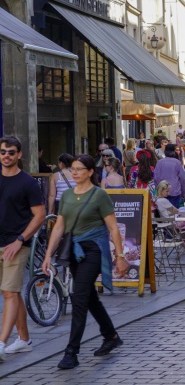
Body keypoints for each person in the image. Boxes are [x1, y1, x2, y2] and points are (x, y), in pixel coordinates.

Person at [41, 155, 128, 369]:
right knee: (88, 297)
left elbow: (113, 228)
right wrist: (48, 255)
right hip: (73, 250)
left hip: (92, 250)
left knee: (79, 298)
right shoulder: (68, 195)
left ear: (90, 172)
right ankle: (111, 336)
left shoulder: (99, 195)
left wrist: (120, 256)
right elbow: (60, 226)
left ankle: (71, 352)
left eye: (80, 169)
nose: (75, 172)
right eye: (73, 169)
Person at [0, 137, 46, 359]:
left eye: (10, 152)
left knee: (9, 292)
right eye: (2, 152)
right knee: (10, 292)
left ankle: (1, 343)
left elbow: (40, 215)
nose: (6, 155)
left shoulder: (27, 182)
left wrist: (20, 239)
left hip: (16, 244)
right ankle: (24, 339)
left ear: (19, 155)